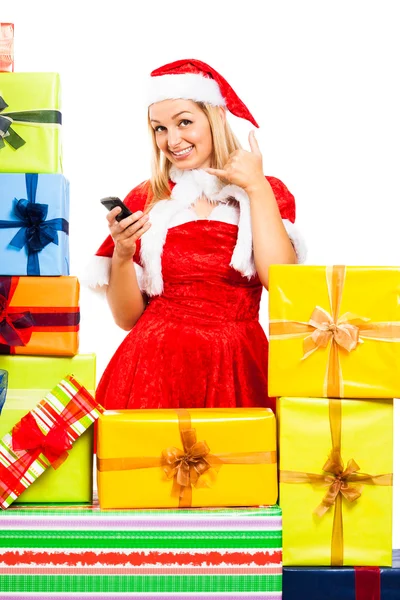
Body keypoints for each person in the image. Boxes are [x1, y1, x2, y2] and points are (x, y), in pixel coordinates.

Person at [87, 59, 306, 412]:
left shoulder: (266, 192)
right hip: (152, 370)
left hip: (236, 368)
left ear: (217, 117)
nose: (172, 140)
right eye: (159, 128)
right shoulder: (145, 199)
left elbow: (283, 283)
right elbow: (127, 319)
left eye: (184, 122)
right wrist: (123, 254)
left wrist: (256, 186)